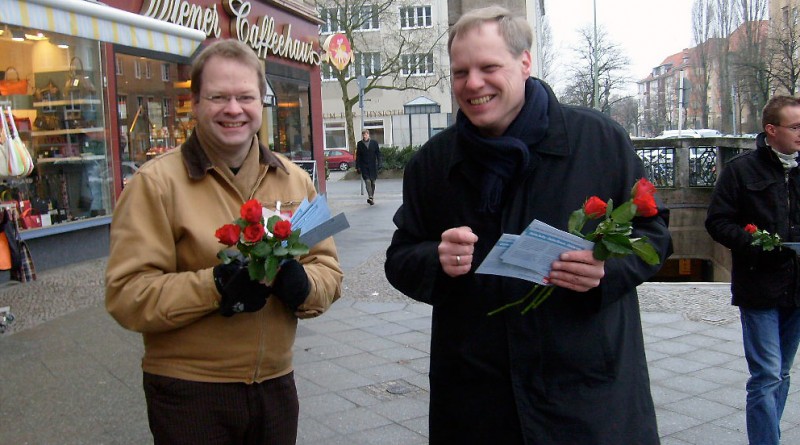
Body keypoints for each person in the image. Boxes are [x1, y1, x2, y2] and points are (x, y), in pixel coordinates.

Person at [384, 6, 673, 444]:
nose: (473, 83)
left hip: (586, 398)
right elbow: (400, 258)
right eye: (460, 72)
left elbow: (655, 234)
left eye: (488, 67)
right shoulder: (433, 163)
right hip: (477, 402)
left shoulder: (598, 140)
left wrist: (606, 268)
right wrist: (435, 259)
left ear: (524, 62)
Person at [105, 39, 343, 445]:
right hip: (190, 392)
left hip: (275, 386)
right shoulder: (155, 184)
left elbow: (329, 269)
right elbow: (127, 295)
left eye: (245, 96)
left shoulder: (295, 179)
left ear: (261, 103)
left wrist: (303, 287)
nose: (233, 109)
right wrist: (214, 286)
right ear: (195, 102)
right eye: (218, 97)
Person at [706, 95, 800, 445]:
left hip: (797, 287)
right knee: (766, 374)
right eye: (795, 127)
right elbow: (717, 222)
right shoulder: (742, 170)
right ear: (771, 130)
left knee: (782, 372)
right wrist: (755, 244)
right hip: (759, 285)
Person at [356, 129, 381, 205]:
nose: (365, 136)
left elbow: (378, 154)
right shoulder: (360, 144)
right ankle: (370, 196)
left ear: (368, 135)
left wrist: (380, 163)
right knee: (367, 181)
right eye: (363, 135)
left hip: (373, 166)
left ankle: (371, 196)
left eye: (366, 134)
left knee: (373, 182)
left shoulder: (374, 143)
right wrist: (358, 166)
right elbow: (358, 156)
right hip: (364, 166)